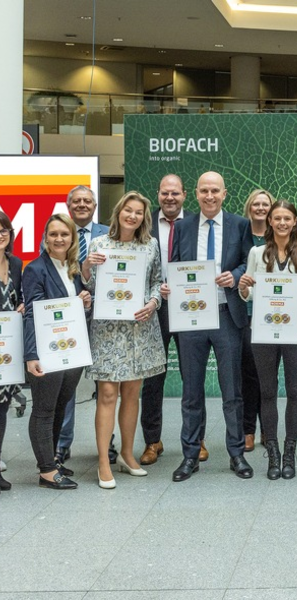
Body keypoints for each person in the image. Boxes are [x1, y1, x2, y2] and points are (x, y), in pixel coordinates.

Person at [165, 171, 254, 482]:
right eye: (204, 190)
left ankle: (236, 453)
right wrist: (170, 286)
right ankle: (190, 456)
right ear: (196, 194)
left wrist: (235, 274)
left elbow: (248, 261)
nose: (210, 196)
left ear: (224, 193)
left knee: (232, 390)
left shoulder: (239, 225)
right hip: (192, 318)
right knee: (191, 391)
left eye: (215, 190)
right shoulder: (184, 226)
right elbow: (175, 265)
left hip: (227, 314)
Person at [82, 192, 166, 489]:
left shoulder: (150, 246)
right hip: (107, 331)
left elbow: (157, 281)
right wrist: (87, 267)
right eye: (128, 210)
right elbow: (89, 285)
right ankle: (104, 460)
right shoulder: (99, 245)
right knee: (107, 394)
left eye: (139, 212)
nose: (133, 216)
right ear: (118, 212)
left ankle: (128, 455)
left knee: (132, 393)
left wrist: (154, 302)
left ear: (145, 217)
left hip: (140, 329)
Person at [239, 200, 297, 479]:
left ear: (295, 222)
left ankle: (290, 454)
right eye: (277, 218)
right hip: (263, 331)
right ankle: (272, 454)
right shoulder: (257, 253)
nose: (282, 223)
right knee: (268, 391)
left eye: (287, 218)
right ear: (270, 222)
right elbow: (247, 295)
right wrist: (243, 288)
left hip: (295, 330)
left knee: (294, 391)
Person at [23, 214, 92, 490]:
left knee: (61, 406)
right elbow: (33, 314)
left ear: (72, 238)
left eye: (64, 234)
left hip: (71, 351)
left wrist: (84, 303)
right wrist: (31, 355)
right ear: (45, 238)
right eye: (53, 234)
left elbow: (75, 309)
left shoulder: (72, 268)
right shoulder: (35, 269)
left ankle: (51, 459)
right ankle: (46, 471)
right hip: (46, 351)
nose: (59, 239)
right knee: (43, 410)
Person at [55, 185, 110, 465]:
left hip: (104, 314)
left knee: (106, 383)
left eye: (87, 201)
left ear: (94, 204)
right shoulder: (58, 234)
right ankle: (62, 444)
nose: (82, 205)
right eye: (76, 201)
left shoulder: (109, 233)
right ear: (69, 206)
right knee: (67, 383)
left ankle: (107, 443)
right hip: (69, 316)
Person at [139, 174, 192, 466]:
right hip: (154, 308)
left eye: (175, 193)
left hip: (188, 307)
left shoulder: (196, 223)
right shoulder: (144, 225)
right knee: (153, 378)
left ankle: (195, 439)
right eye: (164, 193)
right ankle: (152, 441)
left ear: (184, 195)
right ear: (158, 195)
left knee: (191, 375)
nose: (169, 198)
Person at [241, 188, 275, 452]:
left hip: (273, 314)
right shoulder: (241, 233)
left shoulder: (280, 238)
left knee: (269, 376)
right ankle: (248, 429)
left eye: (266, 204)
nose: (261, 208)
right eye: (257, 204)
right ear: (249, 207)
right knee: (250, 374)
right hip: (245, 312)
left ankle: (268, 428)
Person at [0, 213, 23, 494]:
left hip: (7, 349)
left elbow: (20, 296)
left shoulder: (16, 264)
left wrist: (22, 307)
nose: (0, 234)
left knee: (2, 406)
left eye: (4, 229)